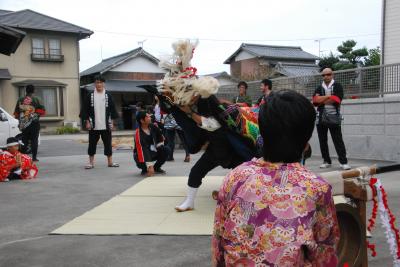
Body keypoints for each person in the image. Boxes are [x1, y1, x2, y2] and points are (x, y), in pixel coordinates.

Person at [212, 90, 340, 266]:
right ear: (307, 140)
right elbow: (324, 255)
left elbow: (219, 242)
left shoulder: (235, 177)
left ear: (262, 132)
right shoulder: (317, 188)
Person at [313, 68, 351, 170]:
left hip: (334, 116)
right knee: (322, 140)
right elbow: (315, 102)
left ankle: (343, 162)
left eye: (328, 74)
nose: (326, 76)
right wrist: (329, 97)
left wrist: (322, 98)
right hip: (320, 117)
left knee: (338, 140)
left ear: (332, 75)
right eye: (323, 75)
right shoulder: (319, 87)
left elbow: (337, 99)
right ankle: (326, 161)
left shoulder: (337, 86)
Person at [81, 75, 119, 169]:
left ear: (103, 83)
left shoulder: (108, 95)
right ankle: (91, 163)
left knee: (108, 144)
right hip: (94, 125)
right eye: (97, 82)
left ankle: (110, 162)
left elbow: (113, 110)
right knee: (92, 144)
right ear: (95, 84)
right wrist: (87, 122)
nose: (99, 84)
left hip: (106, 125)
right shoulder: (90, 95)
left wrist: (113, 123)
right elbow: (85, 109)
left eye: (101, 82)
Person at [14, 84, 46, 161]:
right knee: (34, 140)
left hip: (24, 123)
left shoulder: (20, 99)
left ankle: (24, 158)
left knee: (24, 140)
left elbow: (16, 112)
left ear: (26, 90)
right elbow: (43, 111)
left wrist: (19, 122)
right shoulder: (37, 99)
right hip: (34, 123)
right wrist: (36, 114)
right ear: (34, 90)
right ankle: (34, 157)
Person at [133, 111, 169, 176]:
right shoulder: (138, 133)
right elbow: (143, 149)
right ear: (142, 120)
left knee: (166, 149)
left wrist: (160, 143)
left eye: (149, 116)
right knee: (139, 156)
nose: (150, 117)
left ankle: (156, 167)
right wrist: (149, 165)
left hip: (153, 151)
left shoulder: (153, 126)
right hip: (141, 154)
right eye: (147, 117)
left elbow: (160, 137)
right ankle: (145, 169)